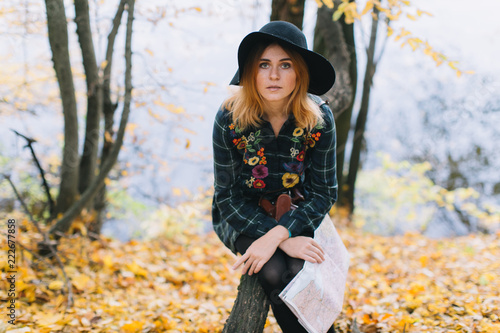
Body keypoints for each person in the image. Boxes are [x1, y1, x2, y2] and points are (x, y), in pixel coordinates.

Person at [212, 20, 337, 333]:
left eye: (285, 65)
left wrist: (280, 235)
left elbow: (324, 192)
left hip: (298, 210)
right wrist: (275, 239)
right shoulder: (229, 118)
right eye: (264, 64)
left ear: (300, 72)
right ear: (251, 71)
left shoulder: (319, 119)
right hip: (241, 214)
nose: (273, 76)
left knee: (298, 265)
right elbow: (227, 197)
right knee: (270, 269)